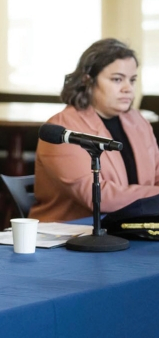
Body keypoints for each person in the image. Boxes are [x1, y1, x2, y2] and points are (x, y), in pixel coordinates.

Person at [30, 38, 159, 222]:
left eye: (132, 80)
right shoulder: (63, 128)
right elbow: (98, 196)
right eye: (117, 79)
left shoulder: (138, 122)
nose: (128, 88)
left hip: (133, 229)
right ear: (88, 80)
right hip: (70, 237)